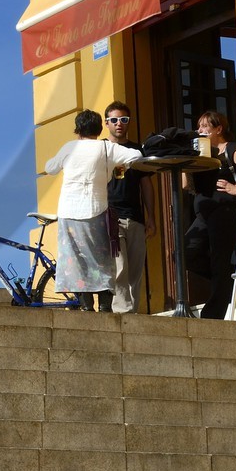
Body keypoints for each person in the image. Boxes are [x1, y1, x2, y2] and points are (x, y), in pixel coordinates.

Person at [43, 109, 141, 311]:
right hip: (96, 210)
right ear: (99, 128)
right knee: (102, 259)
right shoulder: (107, 148)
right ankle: (105, 305)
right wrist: (118, 166)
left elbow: (50, 167)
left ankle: (86, 304)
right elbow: (136, 155)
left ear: (77, 130)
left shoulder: (69, 147)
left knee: (75, 260)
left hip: (69, 213)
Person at [182, 110, 236, 319]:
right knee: (184, 253)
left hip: (224, 213)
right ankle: (228, 280)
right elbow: (184, 185)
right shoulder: (203, 154)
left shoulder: (229, 149)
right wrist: (186, 160)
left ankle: (212, 315)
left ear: (219, 129)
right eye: (199, 127)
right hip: (204, 215)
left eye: (205, 126)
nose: (200, 131)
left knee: (219, 262)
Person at [105, 101, 154, 313]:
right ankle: (121, 313)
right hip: (110, 216)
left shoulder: (137, 150)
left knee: (135, 270)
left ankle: (132, 313)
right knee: (119, 266)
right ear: (106, 123)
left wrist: (151, 217)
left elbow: (146, 184)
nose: (119, 124)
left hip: (135, 216)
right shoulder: (101, 149)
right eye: (114, 120)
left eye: (124, 120)